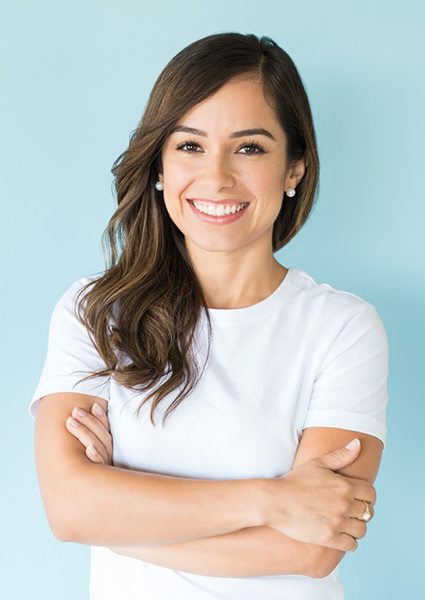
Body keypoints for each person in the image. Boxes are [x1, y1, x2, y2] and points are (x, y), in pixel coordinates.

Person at [29, 32, 388, 600]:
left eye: (250, 148)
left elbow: (313, 549)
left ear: (294, 169)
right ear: (159, 166)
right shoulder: (96, 312)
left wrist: (119, 517)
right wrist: (271, 499)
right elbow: (70, 508)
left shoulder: (342, 327)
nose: (216, 177)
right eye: (189, 146)